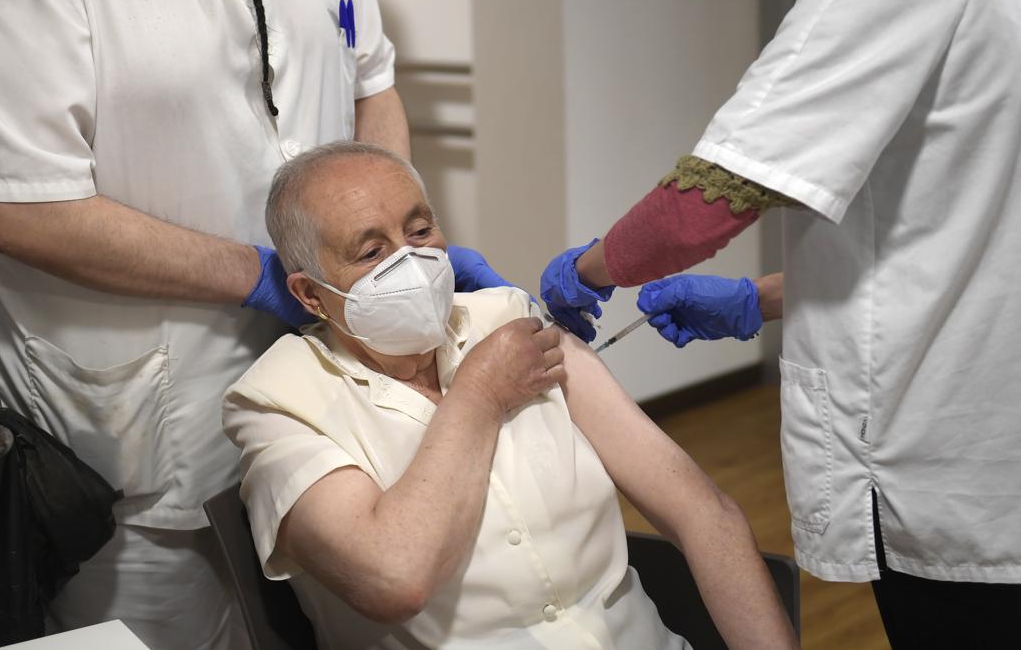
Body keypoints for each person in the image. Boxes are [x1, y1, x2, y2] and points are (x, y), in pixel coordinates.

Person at [0, 0, 503, 646]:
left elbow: (370, 82)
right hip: (124, 445)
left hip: (315, 399)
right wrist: (264, 276)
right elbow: (16, 207)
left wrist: (387, 244)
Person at [540, 0, 1021, 648]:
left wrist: (585, 270)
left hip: (934, 448)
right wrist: (763, 301)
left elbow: (702, 204)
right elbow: (964, 229)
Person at [222, 141, 799, 650]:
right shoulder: (277, 403)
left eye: (420, 231)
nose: (412, 262)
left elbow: (702, 512)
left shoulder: (508, 318)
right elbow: (395, 578)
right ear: (311, 295)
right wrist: (479, 392)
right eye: (371, 252)